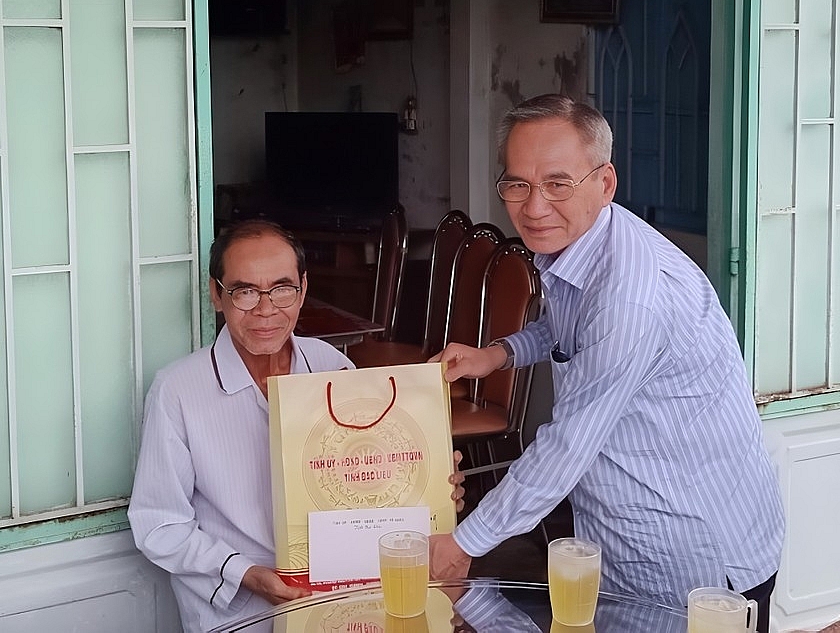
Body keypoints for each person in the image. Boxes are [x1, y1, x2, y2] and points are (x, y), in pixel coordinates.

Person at [428, 94, 785, 633]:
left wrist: (463, 545)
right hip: (629, 539)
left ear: (605, 182)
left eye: (557, 183)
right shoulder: (584, 241)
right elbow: (570, 326)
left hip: (697, 565)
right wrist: (499, 353)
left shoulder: (630, 297)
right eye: (517, 184)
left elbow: (566, 446)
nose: (534, 206)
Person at [128, 220, 465, 632]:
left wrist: (431, 488)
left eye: (282, 288)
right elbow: (159, 523)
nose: (266, 309)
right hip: (239, 611)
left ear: (303, 289)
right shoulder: (178, 390)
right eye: (244, 291)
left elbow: (365, 481)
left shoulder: (332, 367)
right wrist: (244, 573)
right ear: (216, 294)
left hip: (343, 602)